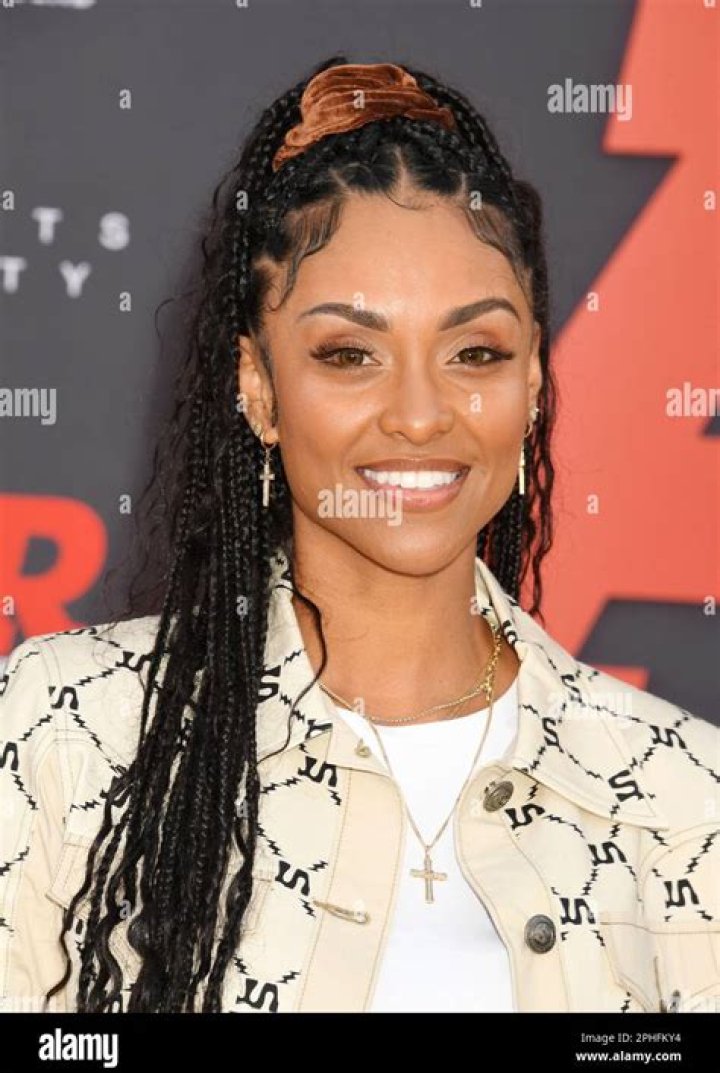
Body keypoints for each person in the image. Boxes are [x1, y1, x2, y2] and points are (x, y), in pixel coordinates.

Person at [0, 56, 718, 1016]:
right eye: (349, 354)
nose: (420, 414)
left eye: (475, 352)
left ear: (532, 384)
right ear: (258, 388)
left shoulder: (682, 795)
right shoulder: (69, 733)